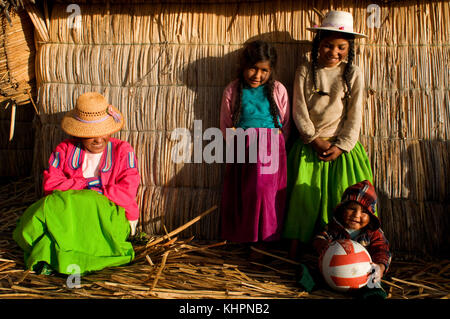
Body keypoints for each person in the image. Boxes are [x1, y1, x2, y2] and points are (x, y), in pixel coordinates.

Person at [13, 92, 139, 275]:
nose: (98, 139)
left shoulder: (122, 151)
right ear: (79, 133)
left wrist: (89, 193)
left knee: (83, 203)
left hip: (109, 216)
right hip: (69, 212)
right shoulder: (65, 150)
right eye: (91, 134)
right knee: (49, 205)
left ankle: (62, 256)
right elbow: (51, 185)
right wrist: (85, 185)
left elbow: (127, 191)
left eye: (103, 132)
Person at [283, 11, 375, 259]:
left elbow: (355, 114)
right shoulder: (305, 69)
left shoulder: (353, 73)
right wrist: (313, 138)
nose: (334, 52)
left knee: (343, 200)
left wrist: (342, 144)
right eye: (328, 45)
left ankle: (348, 253)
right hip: (309, 146)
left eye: (341, 47)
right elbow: (299, 108)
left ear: (350, 48)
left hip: (342, 149)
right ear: (318, 43)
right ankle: (294, 251)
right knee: (303, 198)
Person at [219, 40, 290, 248]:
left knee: (265, 194)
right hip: (244, 149)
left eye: (264, 70)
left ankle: (265, 242)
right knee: (246, 194)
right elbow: (226, 124)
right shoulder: (233, 90)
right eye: (252, 68)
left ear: (271, 70)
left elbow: (285, 124)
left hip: (271, 151)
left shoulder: (278, 89)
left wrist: (276, 147)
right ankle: (246, 240)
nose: (257, 76)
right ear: (243, 66)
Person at [313, 180, 391, 298]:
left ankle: (372, 294)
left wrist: (380, 266)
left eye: (364, 212)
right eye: (352, 209)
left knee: (375, 284)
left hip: (363, 275)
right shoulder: (335, 228)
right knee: (311, 272)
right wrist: (325, 248)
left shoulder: (373, 233)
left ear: (370, 216)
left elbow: (382, 249)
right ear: (343, 209)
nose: (356, 215)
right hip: (335, 272)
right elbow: (320, 237)